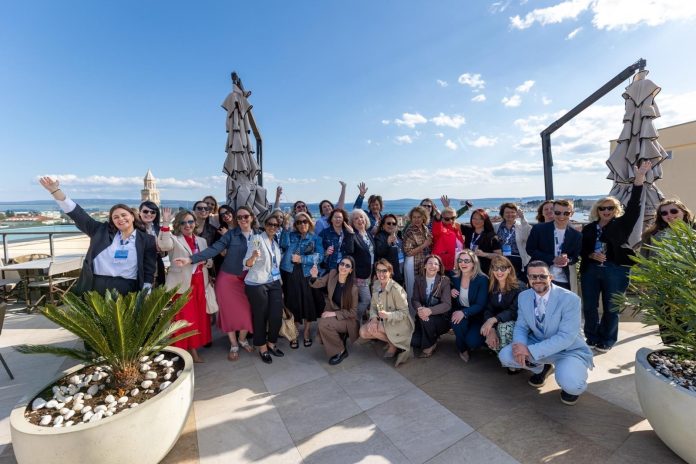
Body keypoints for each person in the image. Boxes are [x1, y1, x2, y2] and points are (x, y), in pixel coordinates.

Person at [39, 176, 157, 296]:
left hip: (128, 288)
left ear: (132, 216)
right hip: (96, 286)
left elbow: (149, 269)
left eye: (123, 215)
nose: (120, 219)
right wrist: (55, 191)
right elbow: (78, 214)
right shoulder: (100, 231)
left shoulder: (147, 240)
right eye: (115, 217)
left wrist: (146, 291)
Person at [498, 261, 593, 406]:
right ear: (528, 278)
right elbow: (521, 326)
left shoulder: (570, 299)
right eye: (533, 276)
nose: (538, 280)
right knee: (506, 355)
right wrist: (520, 345)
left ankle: (567, 379)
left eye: (542, 276)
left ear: (551, 277)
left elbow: (566, 337)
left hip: (568, 350)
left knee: (573, 385)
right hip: (537, 342)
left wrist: (530, 351)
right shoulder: (524, 296)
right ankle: (541, 367)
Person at [580, 161, 650, 352]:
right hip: (591, 270)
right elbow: (581, 250)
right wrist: (591, 254)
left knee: (612, 307)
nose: (606, 211)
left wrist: (639, 179)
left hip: (616, 269)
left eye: (610, 208)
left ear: (616, 210)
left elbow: (634, 206)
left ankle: (607, 339)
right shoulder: (588, 228)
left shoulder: (622, 224)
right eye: (602, 208)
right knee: (590, 306)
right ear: (597, 210)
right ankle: (591, 337)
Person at [174, 206, 256, 361]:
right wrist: (191, 259)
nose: (243, 219)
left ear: (252, 217)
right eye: (239, 217)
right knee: (228, 313)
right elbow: (213, 249)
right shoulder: (231, 234)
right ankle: (234, 344)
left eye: (246, 216)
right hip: (228, 279)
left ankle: (242, 339)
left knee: (247, 312)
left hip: (248, 279)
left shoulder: (258, 235)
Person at [157, 209, 212, 363]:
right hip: (182, 285)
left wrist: (203, 261)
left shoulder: (201, 241)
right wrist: (165, 222)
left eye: (190, 221)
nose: (188, 225)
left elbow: (209, 261)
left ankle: (194, 346)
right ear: (178, 225)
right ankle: (190, 351)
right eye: (183, 222)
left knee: (199, 317)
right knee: (186, 318)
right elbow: (164, 245)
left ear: (195, 223)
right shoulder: (174, 239)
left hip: (200, 283)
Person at [242, 216, 285, 364]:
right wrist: (253, 257)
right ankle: (262, 347)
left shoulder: (275, 242)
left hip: (274, 282)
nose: (272, 227)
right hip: (257, 283)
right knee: (260, 316)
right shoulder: (257, 239)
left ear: (278, 227)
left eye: (276, 225)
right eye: (269, 224)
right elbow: (246, 263)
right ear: (264, 225)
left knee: (276, 315)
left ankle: (271, 343)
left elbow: (275, 264)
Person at [279, 211, 324, 348]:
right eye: (298, 222)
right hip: (290, 273)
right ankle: (293, 332)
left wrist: (302, 259)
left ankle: (306, 332)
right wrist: (285, 228)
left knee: (309, 304)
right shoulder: (291, 235)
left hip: (307, 274)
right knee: (293, 304)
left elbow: (320, 257)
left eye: (305, 221)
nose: (302, 224)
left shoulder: (315, 238)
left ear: (309, 222)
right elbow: (283, 245)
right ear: (296, 225)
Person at [359, 259, 414, 367]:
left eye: (384, 271)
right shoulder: (376, 284)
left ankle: (393, 345)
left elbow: (404, 313)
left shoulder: (397, 289)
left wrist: (389, 315)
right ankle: (392, 343)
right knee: (363, 332)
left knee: (376, 328)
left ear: (390, 272)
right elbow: (373, 306)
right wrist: (374, 319)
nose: (381, 274)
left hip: (399, 323)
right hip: (384, 320)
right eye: (378, 270)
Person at [309, 256, 359, 365]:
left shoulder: (353, 288)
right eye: (342, 264)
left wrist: (333, 313)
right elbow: (318, 283)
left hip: (347, 319)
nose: (343, 267)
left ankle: (341, 351)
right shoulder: (332, 274)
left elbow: (353, 312)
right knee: (322, 330)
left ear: (351, 270)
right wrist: (314, 276)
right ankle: (339, 339)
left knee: (324, 324)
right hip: (333, 313)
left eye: (347, 266)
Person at [526, 200, 581, 291]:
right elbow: (530, 249)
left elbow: (575, 257)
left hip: (563, 280)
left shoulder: (576, 235)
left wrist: (567, 260)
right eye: (558, 213)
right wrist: (553, 259)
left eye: (566, 213)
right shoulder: (538, 229)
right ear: (553, 212)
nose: (561, 216)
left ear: (572, 214)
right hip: (540, 277)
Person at [480, 256, 523, 372]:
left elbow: (514, 311)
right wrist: (491, 328)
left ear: (509, 269)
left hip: (517, 323)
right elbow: (488, 309)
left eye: (503, 268)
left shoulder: (519, 287)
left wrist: (493, 320)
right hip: (498, 321)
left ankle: (515, 361)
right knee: (486, 329)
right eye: (496, 268)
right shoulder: (492, 286)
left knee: (503, 328)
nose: (499, 272)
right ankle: (504, 357)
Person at [450, 249, 489, 362]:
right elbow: (446, 283)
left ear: (474, 263)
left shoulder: (482, 279)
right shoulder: (454, 276)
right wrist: (451, 290)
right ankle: (462, 349)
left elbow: (480, 304)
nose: (463, 263)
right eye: (460, 260)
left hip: (477, 315)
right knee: (456, 322)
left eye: (467, 261)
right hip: (460, 310)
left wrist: (464, 312)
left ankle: (472, 341)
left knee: (473, 342)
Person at [410, 255, 451, 358]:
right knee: (414, 342)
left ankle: (431, 344)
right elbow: (415, 299)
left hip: (440, 318)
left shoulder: (444, 280)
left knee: (426, 319)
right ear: (425, 266)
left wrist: (429, 311)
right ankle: (433, 337)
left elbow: (447, 304)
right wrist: (420, 309)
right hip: (422, 316)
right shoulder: (418, 279)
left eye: (436, 264)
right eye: (430, 263)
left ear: (439, 268)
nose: (433, 266)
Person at [402, 206, 433, 300]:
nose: (416, 219)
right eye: (414, 217)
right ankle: (412, 309)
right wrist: (425, 245)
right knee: (412, 289)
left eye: (419, 217)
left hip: (423, 262)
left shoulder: (425, 228)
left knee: (422, 288)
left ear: (424, 217)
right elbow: (408, 252)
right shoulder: (410, 231)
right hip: (412, 263)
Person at [350, 209, 375, 320]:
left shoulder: (368, 234)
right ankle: (354, 319)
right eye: (356, 218)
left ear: (365, 219)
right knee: (366, 300)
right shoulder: (353, 236)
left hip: (370, 271)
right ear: (352, 222)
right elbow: (349, 250)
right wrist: (350, 234)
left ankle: (360, 321)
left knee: (366, 299)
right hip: (359, 274)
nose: (360, 220)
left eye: (361, 217)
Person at [496, 203, 532, 279]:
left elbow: (527, 236)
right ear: (502, 214)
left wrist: (522, 218)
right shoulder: (496, 227)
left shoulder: (521, 226)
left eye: (513, 212)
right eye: (507, 212)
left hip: (518, 259)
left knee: (518, 282)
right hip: (502, 259)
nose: (510, 214)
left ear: (517, 214)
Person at [461, 208, 501, 275]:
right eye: (474, 218)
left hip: (484, 272)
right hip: (468, 270)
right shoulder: (468, 230)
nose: (477, 221)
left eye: (480, 219)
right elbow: (451, 220)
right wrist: (447, 207)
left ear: (485, 220)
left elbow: (499, 256)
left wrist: (484, 254)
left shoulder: (491, 236)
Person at [139, 201, 167, 287]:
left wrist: (162, 250)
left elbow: (165, 252)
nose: (149, 214)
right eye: (145, 211)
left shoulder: (159, 229)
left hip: (157, 271)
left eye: (152, 212)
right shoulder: (135, 229)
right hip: (141, 272)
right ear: (139, 213)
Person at [374, 213, 406, 286]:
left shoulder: (398, 235)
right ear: (383, 225)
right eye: (388, 223)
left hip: (401, 271)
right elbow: (379, 253)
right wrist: (387, 243)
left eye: (394, 223)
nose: (391, 225)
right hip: (390, 273)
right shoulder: (379, 237)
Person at [432, 206, 465, 274]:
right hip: (443, 267)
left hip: (457, 265)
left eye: (453, 218)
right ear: (442, 218)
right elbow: (436, 230)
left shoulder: (457, 229)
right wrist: (438, 218)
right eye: (447, 219)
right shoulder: (441, 229)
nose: (450, 221)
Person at [320, 208, 355, 274]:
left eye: (340, 217)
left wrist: (351, 233)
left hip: (344, 267)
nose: (338, 219)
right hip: (329, 267)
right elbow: (317, 250)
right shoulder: (324, 233)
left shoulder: (347, 232)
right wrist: (325, 252)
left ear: (343, 220)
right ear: (331, 219)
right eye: (335, 217)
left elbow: (350, 250)